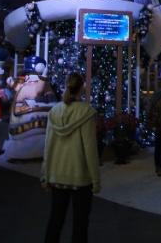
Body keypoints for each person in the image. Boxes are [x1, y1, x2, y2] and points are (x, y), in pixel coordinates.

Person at [41, 72, 101, 243]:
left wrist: (45, 174)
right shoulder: (85, 112)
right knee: (80, 225)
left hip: (58, 175)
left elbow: (48, 146)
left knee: (55, 221)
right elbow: (90, 149)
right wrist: (95, 180)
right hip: (80, 178)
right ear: (82, 88)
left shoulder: (54, 111)